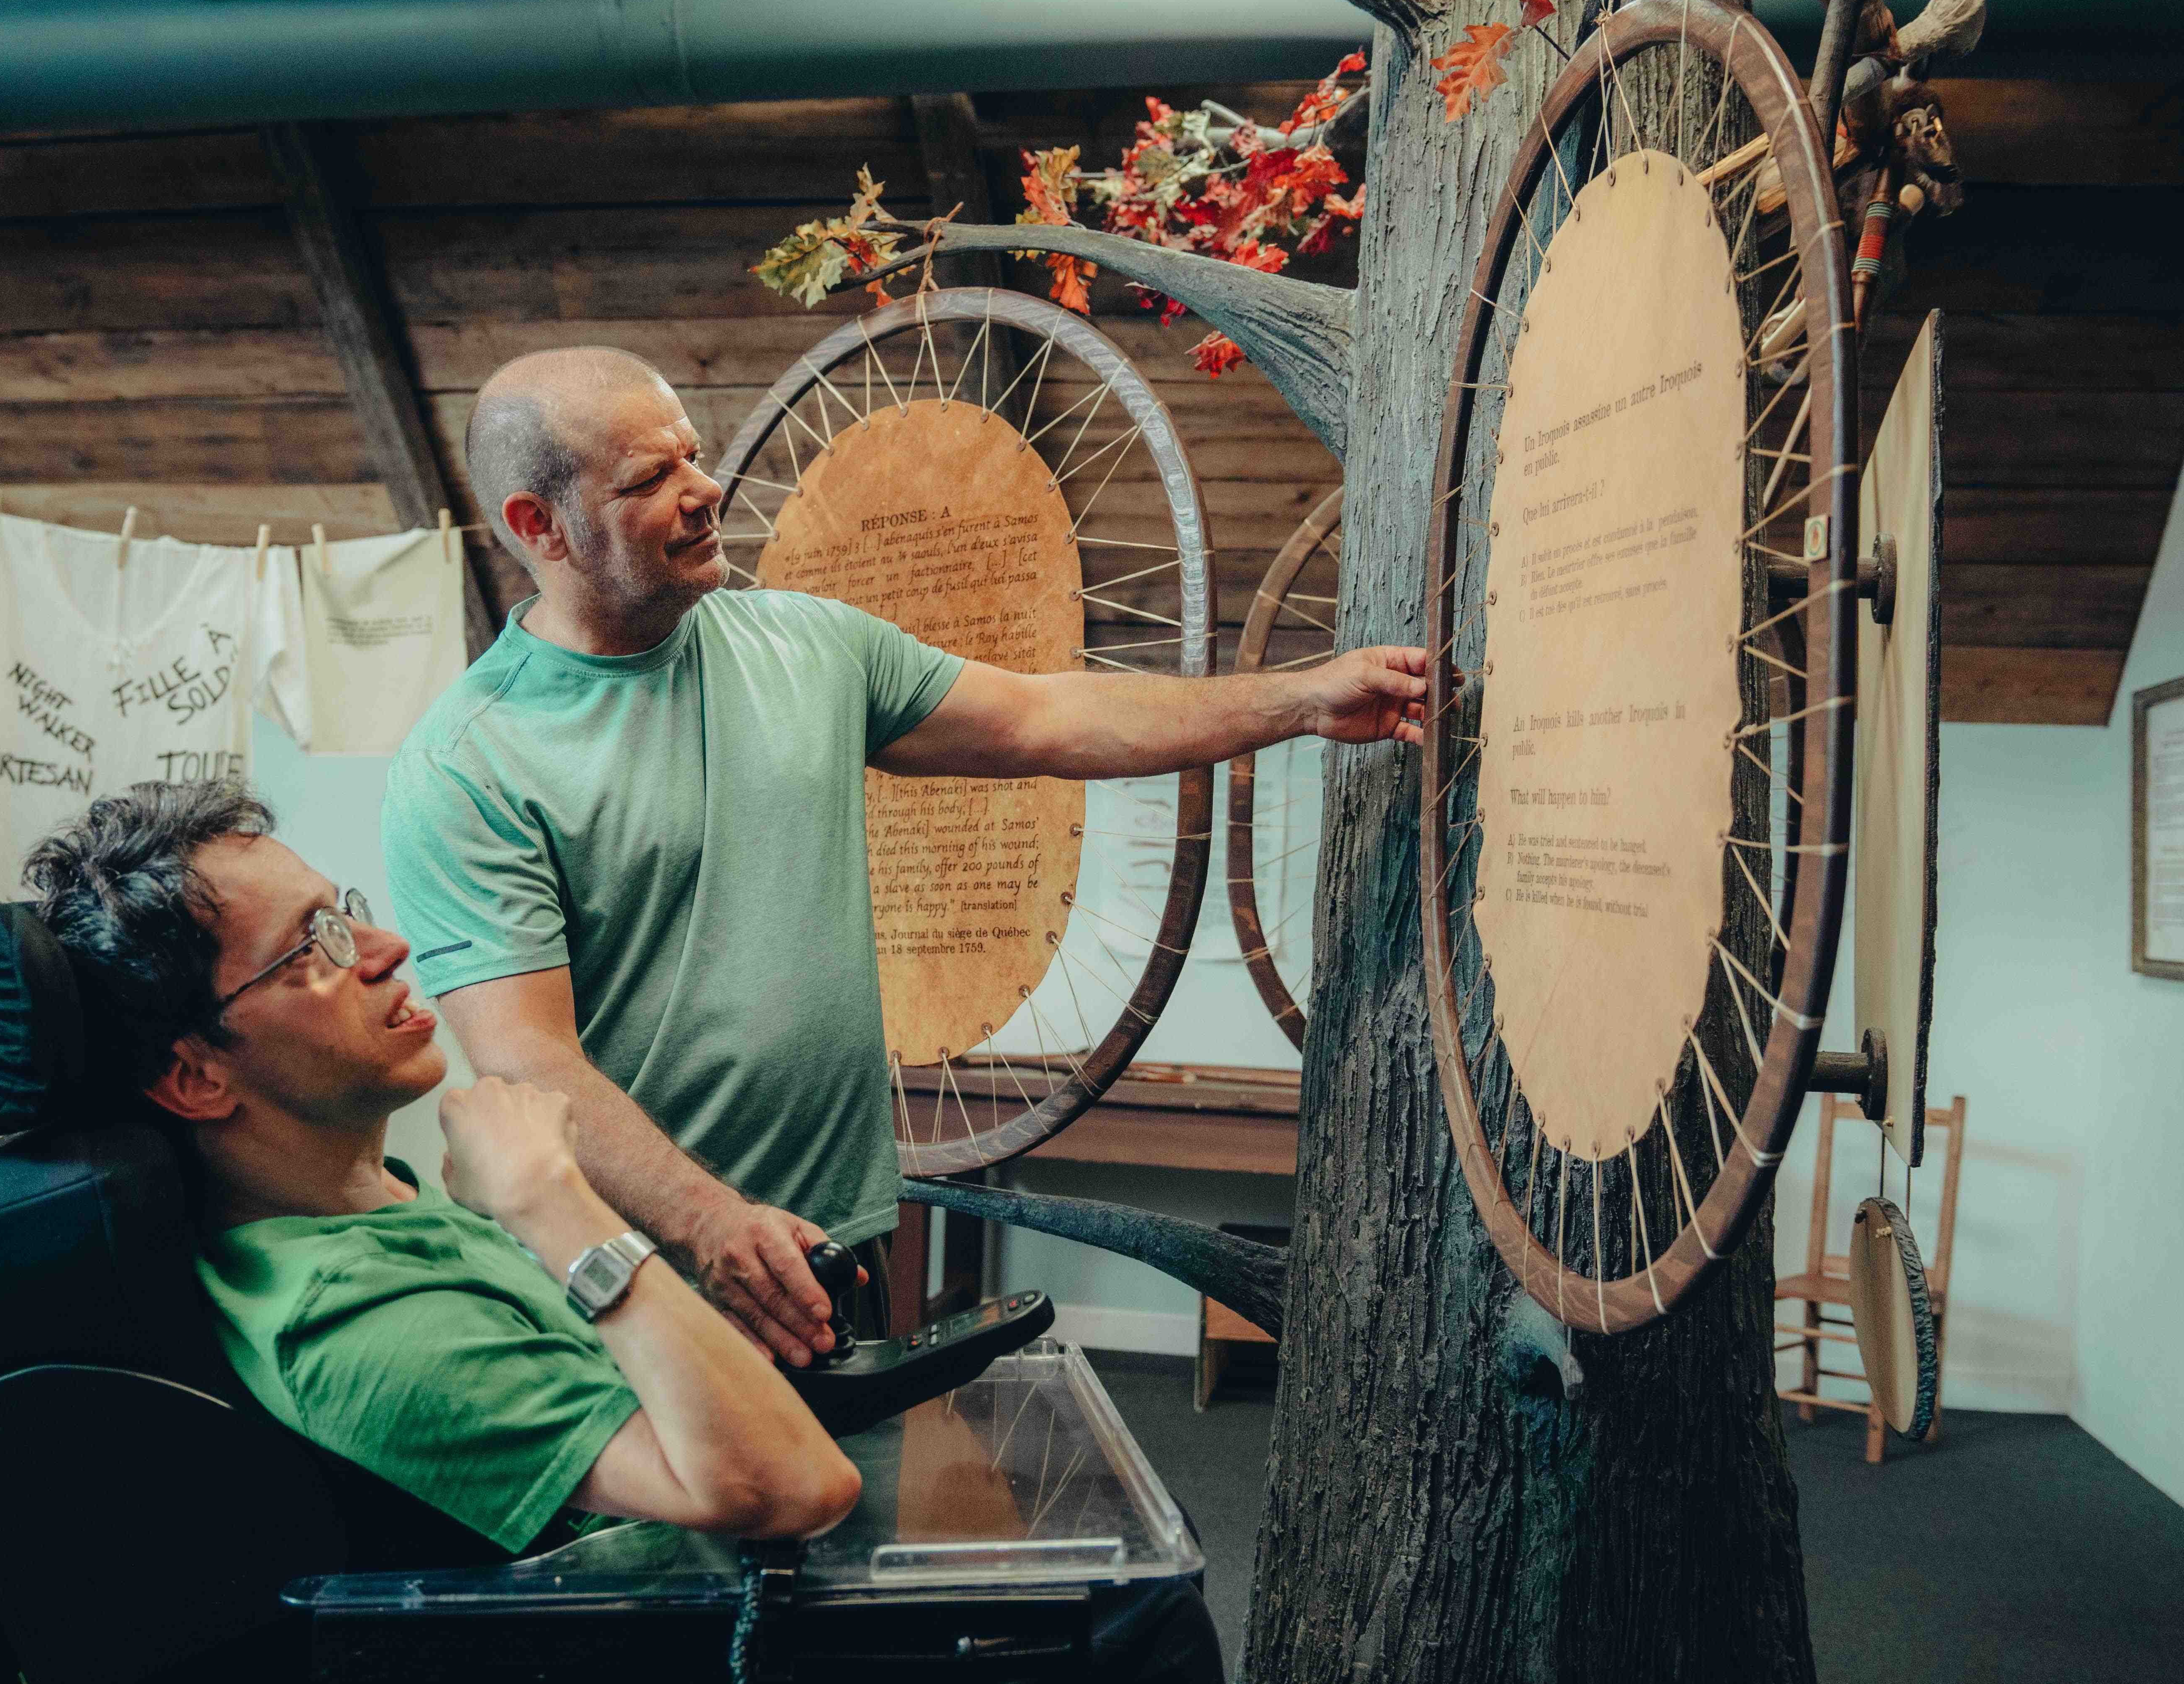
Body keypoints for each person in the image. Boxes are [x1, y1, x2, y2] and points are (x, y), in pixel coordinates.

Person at [22, 779, 1238, 1684]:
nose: (383, 947)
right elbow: (793, 1486)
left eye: (342, 911)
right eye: (313, 953)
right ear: (195, 1078)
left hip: (687, 1567)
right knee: (1135, 1618)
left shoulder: (382, 1207)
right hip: (664, 1669)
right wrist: (551, 1196)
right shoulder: (344, 1319)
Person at [385, 346, 1428, 1365]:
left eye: (691, 455)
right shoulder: (472, 759)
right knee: (663, 1538)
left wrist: (1300, 697)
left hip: (835, 1234)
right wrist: (712, 1221)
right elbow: (528, 1059)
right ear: (539, 526)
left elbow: (1043, 717)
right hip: (629, 1268)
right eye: (651, 479)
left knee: (853, 1523)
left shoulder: (807, 645)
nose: (704, 490)